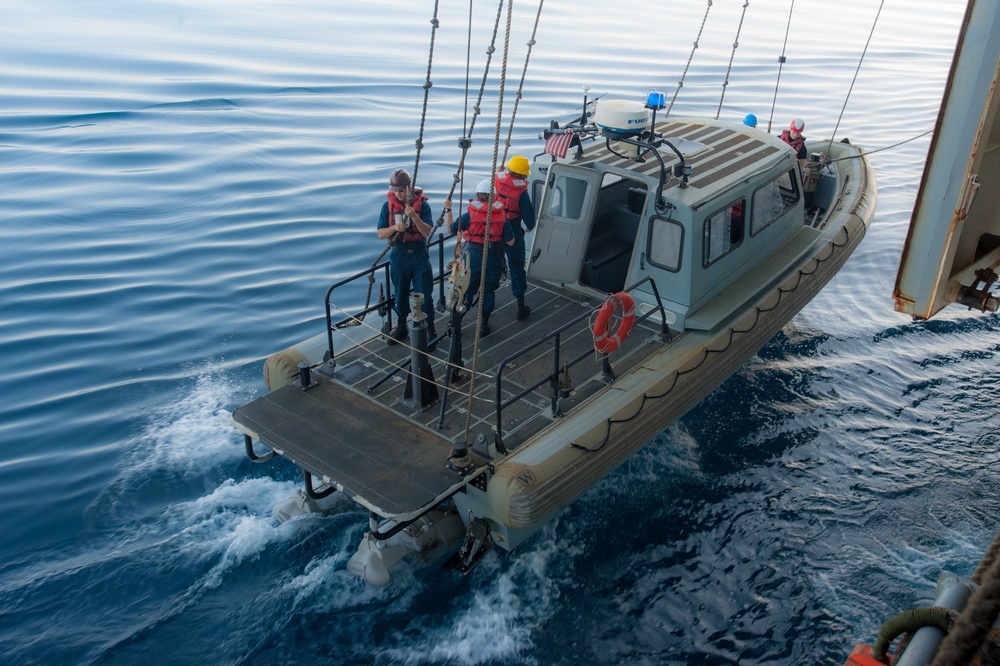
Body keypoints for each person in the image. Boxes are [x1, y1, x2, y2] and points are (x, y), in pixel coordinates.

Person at [444, 179, 514, 336]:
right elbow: (511, 241)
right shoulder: (502, 216)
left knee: (466, 289)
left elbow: (451, 229)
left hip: (473, 258)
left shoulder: (470, 215)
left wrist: (448, 209)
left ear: (477, 196)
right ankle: (483, 324)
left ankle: (456, 321)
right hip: (493, 258)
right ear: (494, 197)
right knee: (488, 290)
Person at [377, 168, 436, 345]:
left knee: (424, 293)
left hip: (418, 255)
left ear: (409, 187)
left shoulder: (423, 206)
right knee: (400, 294)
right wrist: (395, 228)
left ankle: (430, 329)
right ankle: (401, 326)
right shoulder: (387, 206)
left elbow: (426, 231)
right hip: (399, 255)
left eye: (401, 191)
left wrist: (414, 218)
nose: (398, 194)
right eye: (395, 191)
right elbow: (381, 233)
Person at [495, 155, 536, 321]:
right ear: (522, 175)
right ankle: (520, 306)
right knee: (517, 267)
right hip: (512, 230)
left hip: (495, 229)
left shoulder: (496, 182)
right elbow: (530, 219)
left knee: (491, 263)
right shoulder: (522, 194)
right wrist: (528, 228)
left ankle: (484, 306)